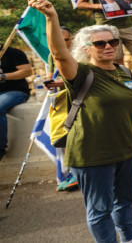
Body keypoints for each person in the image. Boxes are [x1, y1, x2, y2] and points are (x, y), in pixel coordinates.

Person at [27, 0, 132, 243]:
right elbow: (59, 54)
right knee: (100, 209)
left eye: (112, 41)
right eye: (100, 44)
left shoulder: (124, 72)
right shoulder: (81, 73)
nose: (109, 46)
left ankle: (131, 239)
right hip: (92, 153)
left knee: (125, 199)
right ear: (86, 49)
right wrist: (51, 16)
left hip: (125, 149)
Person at [44, 26, 80, 192]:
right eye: (59, 39)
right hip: (62, 101)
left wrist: (62, 82)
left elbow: (82, 76)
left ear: (72, 39)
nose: (63, 43)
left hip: (80, 99)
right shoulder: (53, 54)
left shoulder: (80, 53)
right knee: (63, 135)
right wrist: (49, 82)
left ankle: (79, 172)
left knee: (78, 135)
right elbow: (50, 75)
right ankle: (71, 171)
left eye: (66, 39)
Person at [0, 45, 32, 162]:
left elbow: (27, 71)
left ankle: (0, 148)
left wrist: (3, 76)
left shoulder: (12, 52)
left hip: (15, 91)